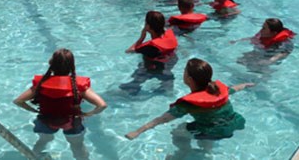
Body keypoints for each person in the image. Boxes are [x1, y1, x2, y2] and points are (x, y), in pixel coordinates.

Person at [125, 58, 254, 143]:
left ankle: (181, 155)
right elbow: (234, 89)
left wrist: (137, 132)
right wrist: (245, 84)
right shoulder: (218, 89)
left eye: (185, 72)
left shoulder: (188, 104)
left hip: (213, 132)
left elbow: (161, 119)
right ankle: (206, 151)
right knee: (206, 126)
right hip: (236, 123)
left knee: (178, 132)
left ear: (190, 79)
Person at [13, 48, 107, 159]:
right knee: (77, 146)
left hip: (45, 120)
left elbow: (18, 101)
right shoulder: (79, 85)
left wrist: (33, 110)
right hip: (72, 122)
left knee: (43, 141)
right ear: (72, 65)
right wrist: (88, 114)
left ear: (51, 63)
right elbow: (102, 105)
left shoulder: (41, 83)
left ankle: (33, 157)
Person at [122, 11, 178, 95]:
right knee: (166, 78)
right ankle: (167, 89)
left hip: (151, 66)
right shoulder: (170, 34)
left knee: (135, 81)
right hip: (170, 62)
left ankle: (130, 92)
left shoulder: (150, 46)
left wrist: (142, 36)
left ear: (148, 26)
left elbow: (129, 51)